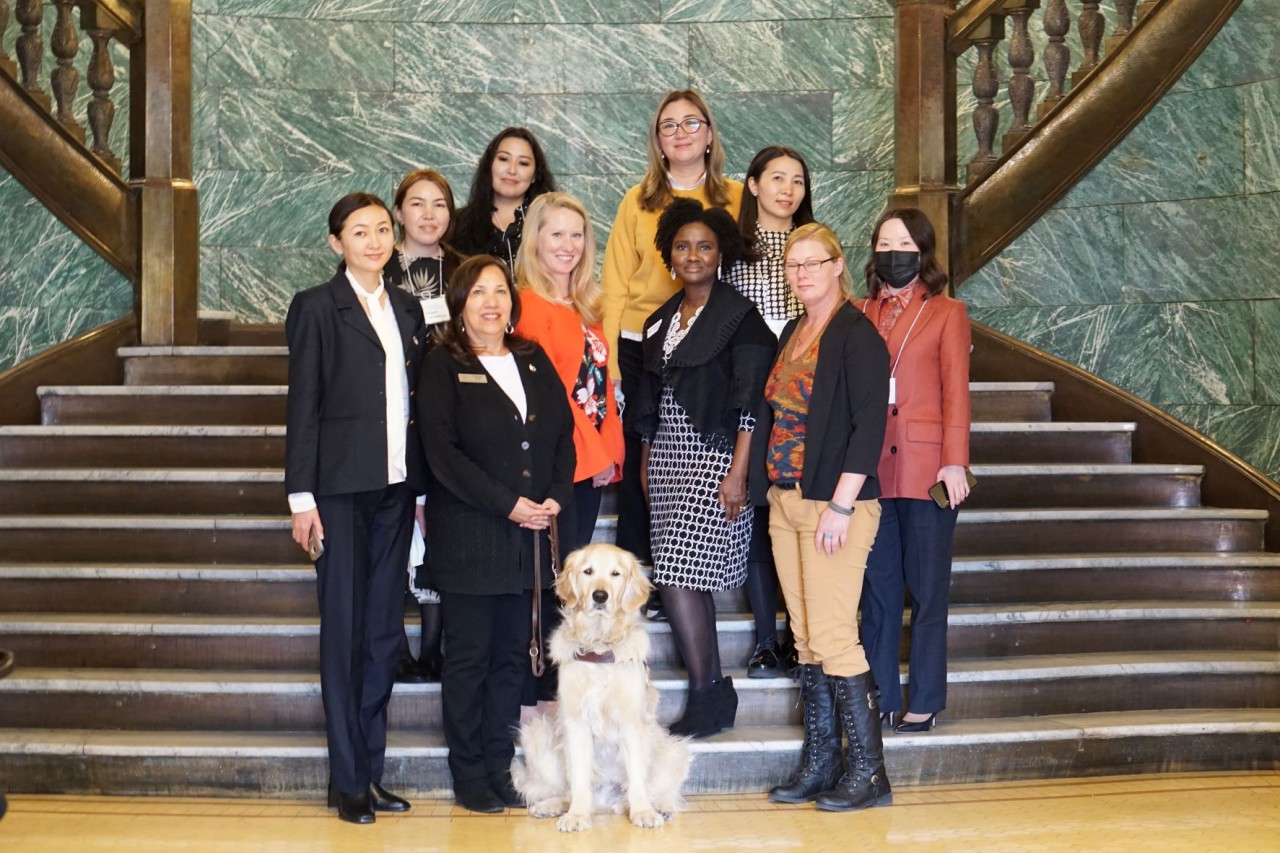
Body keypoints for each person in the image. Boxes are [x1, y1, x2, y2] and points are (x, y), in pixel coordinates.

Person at [284, 192, 427, 824]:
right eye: (358, 231)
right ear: (335, 242)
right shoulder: (317, 307)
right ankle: (346, 781)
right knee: (342, 634)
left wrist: (420, 486)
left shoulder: (407, 306)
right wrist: (300, 498)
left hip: (396, 489)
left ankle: (371, 771)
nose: (373, 240)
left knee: (380, 636)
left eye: (381, 230)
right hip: (337, 494)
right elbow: (303, 406)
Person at [417, 256, 576, 814]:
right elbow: (444, 456)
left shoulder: (531, 359)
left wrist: (557, 493)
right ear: (460, 304)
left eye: (501, 292)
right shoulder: (442, 364)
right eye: (479, 293)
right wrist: (509, 504)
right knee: (469, 659)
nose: (492, 302)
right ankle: (468, 775)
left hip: (526, 542)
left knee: (511, 657)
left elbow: (562, 432)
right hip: (469, 535)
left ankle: (496, 764)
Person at [750, 222, 892, 812]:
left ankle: (869, 772)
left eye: (815, 262)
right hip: (787, 501)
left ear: (839, 265)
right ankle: (820, 764)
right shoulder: (792, 329)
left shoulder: (858, 334)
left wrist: (840, 504)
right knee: (807, 640)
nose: (803, 273)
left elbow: (870, 427)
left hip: (837, 506)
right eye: (794, 264)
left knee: (835, 637)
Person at [630, 198, 774, 739]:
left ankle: (707, 693)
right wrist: (646, 461)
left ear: (721, 254)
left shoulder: (741, 318)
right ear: (669, 254)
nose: (693, 255)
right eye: (683, 246)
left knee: (680, 574)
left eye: (704, 246)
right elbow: (650, 396)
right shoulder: (660, 319)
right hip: (667, 457)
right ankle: (711, 692)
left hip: (714, 456)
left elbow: (749, 401)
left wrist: (739, 471)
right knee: (677, 574)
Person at [602, 88, 743, 572]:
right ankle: (638, 577)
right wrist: (613, 366)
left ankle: (688, 567)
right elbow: (616, 283)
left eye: (691, 123)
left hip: (709, 348)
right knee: (643, 464)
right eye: (669, 126)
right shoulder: (637, 201)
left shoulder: (736, 198)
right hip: (642, 347)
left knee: (692, 462)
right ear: (658, 142)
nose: (680, 133)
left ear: (709, 135)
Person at [857, 208, 972, 735]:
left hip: (930, 470)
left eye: (903, 243)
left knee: (928, 590)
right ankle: (880, 692)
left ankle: (924, 699)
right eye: (885, 242)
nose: (893, 251)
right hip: (871, 468)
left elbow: (955, 392)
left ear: (923, 253)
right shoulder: (859, 311)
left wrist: (956, 460)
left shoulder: (947, 312)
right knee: (878, 589)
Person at [513, 192, 625, 715]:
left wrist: (612, 451)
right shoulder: (527, 306)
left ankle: (560, 689)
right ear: (534, 239)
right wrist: (596, 452)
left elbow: (598, 385)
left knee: (570, 579)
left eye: (576, 234)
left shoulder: (585, 305)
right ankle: (537, 695)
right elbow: (553, 394)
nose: (567, 245)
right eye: (555, 233)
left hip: (592, 459)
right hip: (560, 463)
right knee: (553, 580)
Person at [725, 145, 815, 679]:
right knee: (761, 516)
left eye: (798, 181)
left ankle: (800, 636)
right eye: (777, 178)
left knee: (799, 511)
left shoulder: (814, 246)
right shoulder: (734, 251)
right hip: (753, 394)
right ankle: (764, 638)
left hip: (807, 394)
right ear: (754, 184)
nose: (788, 189)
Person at [385, 167, 463, 684]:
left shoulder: (464, 270)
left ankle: (435, 648)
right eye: (417, 203)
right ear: (398, 213)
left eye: (439, 204)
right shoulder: (377, 265)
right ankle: (394, 647)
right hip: (391, 415)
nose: (429, 214)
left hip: (452, 411)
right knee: (395, 534)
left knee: (442, 530)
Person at [451, 128, 556, 269]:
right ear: (489, 166)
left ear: (535, 176)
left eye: (523, 163)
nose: (512, 170)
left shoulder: (550, 224)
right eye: (504, 159)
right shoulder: (457, 224)